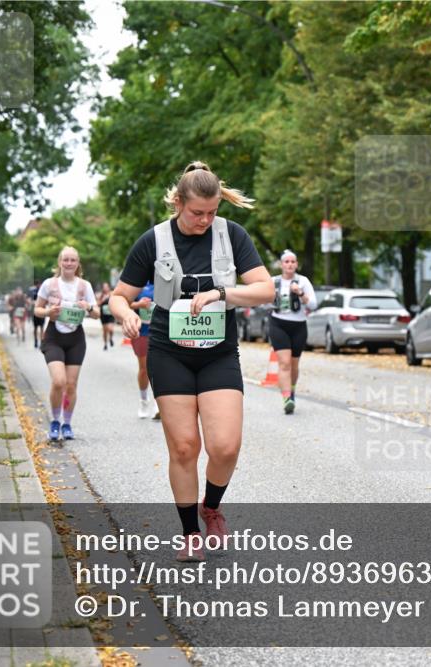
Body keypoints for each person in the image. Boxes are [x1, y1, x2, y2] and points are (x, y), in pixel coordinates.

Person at [109, 161, 274, 562]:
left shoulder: (232, 235)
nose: (205, 220)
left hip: (218, 353)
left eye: (212, 211)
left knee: (225, 447)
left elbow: (266, 289)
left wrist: (222, 293)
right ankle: (189, 534)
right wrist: (126, 313)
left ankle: (211, 506)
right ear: (179, 203)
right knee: (184, 448)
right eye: (197, 212)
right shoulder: (153, 240)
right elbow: (119, 295)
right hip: (169, 353)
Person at [33, 246, 100, 442]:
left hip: (76, 338)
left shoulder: (84, 286)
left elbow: (96, 314)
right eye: (66, 260)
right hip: (54, 336)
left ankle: (67, 423)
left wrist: (88, 307)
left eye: (73, 260)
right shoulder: (49, 284)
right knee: (59, 381)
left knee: (71, 385)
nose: (69, 263)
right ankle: (55, 421)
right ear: (60, 262)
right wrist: (47, 313)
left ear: (78, 263)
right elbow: (37, 309)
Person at [268, 250, 317, 414]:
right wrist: (269, 298)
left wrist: (300, 293)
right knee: (284, 363)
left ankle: (292, 389)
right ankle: (286, 398)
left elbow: (313, 305)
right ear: (282, 265)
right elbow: (261, 301)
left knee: (294, 365)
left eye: (292, 261)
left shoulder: (303, 281)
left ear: (296, 264)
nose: (289, 264)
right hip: (278, 324)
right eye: (286, 262)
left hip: (298, 326)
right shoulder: (273, 281)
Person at [128, 281, 159, 419]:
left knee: (162, 368)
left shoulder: (165, 280)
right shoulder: (138, 282)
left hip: (161, 331)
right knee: (144, 368)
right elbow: (124, 303)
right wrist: (139, 304)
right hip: (142, 332)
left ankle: (158, 403)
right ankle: (143, 401)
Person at [97, 282, 116, 350]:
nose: (105, 288)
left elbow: (116, 301)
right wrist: (102, 301)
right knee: (105, 331)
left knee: (110, 328)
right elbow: (97, 304)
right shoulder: (101, 295)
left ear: (109, 287)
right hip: (103, 315)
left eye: (106, 287)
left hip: (111, 314)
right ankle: (105, 344)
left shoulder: (112, 294)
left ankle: (110, 338)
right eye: (104, 287)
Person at [28, 279, 45, 348]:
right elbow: (28, 300)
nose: (39, 286)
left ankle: (41, 341)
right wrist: (32, 302)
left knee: (42, 327)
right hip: (35, 311)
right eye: (38, 284)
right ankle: (36, 341)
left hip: (42, 311)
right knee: (35, 328)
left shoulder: (43, 291)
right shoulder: (33, 291)